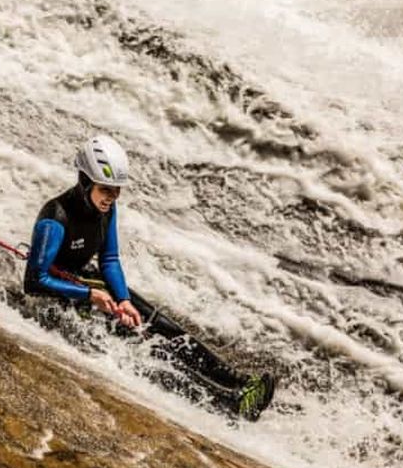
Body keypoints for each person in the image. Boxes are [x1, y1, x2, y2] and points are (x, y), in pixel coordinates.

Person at [23, 135, 275, 421]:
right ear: (85, 182)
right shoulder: (55, 219)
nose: (112, 197)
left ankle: (238, 381)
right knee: (144, 345)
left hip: (87, 284)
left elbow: (108, 259)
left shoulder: (107, 209)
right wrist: (89, 296)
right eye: (106, 189)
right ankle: (226, 403)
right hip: (60, 299)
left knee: (162, 326)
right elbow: (33, 282)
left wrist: (124, 300)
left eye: (117, 191)